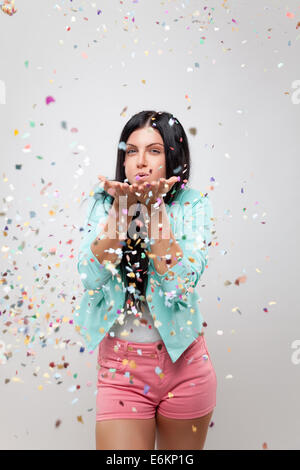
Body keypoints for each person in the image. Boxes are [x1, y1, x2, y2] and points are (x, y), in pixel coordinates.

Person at [75, 110, 217, 450]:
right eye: (131, 151)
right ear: (122, 162)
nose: (141, 161)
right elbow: (91, 278)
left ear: (172, 158)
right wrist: (121, 211)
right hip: (120, 371)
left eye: (154, 151)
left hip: (185, 365)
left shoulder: (192, 206)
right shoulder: (103, 204)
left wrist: (153, 210)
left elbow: (178, 287)